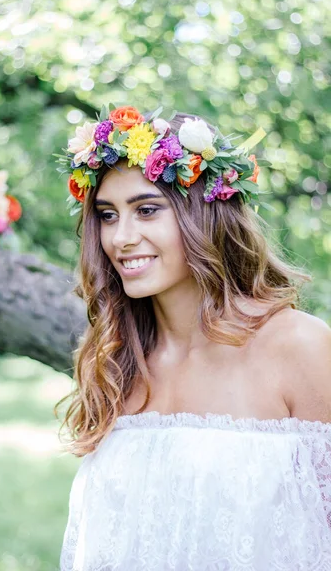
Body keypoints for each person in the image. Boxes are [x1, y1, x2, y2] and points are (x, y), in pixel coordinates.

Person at [55, 105, 331, 570]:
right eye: (106, 215)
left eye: (146, 210)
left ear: (204, 215)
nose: (121, 237)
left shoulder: (297, 345)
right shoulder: (118, 360)